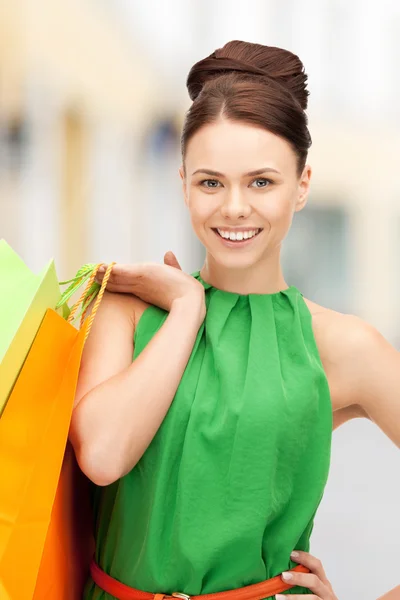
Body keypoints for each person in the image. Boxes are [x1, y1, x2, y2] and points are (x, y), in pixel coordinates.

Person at [69, 41, 400, 600]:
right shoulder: (126, 311)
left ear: (302, 186)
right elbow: (102, 457)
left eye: (262, 182)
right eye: (211, 182)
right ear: (184, 185)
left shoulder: (342, 345)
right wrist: (188, 310)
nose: (234, 207)